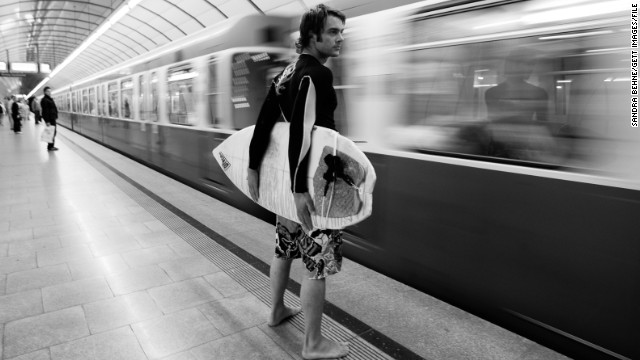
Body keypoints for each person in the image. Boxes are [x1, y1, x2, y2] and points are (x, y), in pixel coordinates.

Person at [246, 5, 348, 359]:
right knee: (317, 264)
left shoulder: (289, 71)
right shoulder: (316, 73)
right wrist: (301, 189)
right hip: (309, 185)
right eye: (333, 32)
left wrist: (253, 165)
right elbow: (303, 134)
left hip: (286, 183)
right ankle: (313, 343)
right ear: (312, 36)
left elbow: (265, 120)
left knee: (284, 248)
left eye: (341, 32)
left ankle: (276, 310)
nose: (340, 38)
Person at [41, 87, 59, 151]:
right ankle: (50, 146)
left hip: (52, 118)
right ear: (45, 92)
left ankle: (51, 146)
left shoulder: (49, 99)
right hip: (50, 119)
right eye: (48, 91)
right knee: (51, 132)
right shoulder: (45, 100)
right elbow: (45, 111)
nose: (49, 92)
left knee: (52, 131)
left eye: (50, 91)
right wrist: (47, 121)